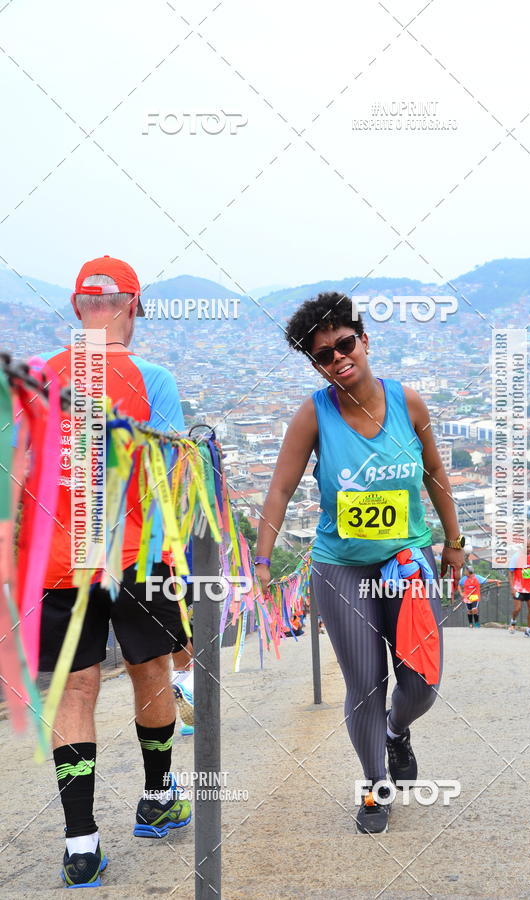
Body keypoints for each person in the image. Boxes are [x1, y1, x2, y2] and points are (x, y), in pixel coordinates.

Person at [254, 292, 465, 834]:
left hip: (408, 561)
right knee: (364, 682)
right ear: (316, 364)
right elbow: (279, 489)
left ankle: (397, 730)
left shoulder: (407, 403)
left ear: (364, 341)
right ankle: (374, 785)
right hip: (342, 567)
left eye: (345, 343)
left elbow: (435, 472)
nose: (338, 357)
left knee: (419, 682)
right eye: (324, 354)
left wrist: (454, 542)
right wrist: (261, 558)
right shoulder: (314, 414)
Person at [26, 256, 193, 887]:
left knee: (74, 691)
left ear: (77, 308)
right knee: (150, 669)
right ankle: (155, 799)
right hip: (138, 555)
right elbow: (176, 480)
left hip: (59, 559)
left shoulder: (40, 378)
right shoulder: (153, 379)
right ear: (135, 307)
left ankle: (80, 843)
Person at [508, 539, 530, 637]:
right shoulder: (516, 557)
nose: (529, 549)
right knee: (518, 608)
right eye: (527, 547)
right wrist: (512, 588)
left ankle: (529, 629)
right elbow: (510, 573)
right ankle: (513, 621)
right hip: (518, 587)